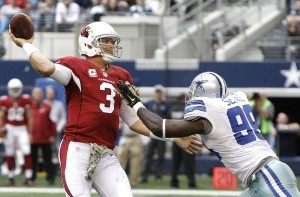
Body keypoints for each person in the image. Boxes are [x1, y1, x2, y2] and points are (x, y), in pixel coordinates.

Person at [8, 21, 201, 197]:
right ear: (88, 43)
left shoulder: (120, 76)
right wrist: (26, 44)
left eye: (112, 41)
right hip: (77, 148)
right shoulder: (77, 67)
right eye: (105, 41)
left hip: (105, 152)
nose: (111, 45)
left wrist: (173, 136)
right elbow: (45, 68)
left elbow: (135, 121)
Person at [116, 72, 300, 196]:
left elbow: (160, 127)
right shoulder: (231, 103)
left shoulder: (209, 114)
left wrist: (136, 103)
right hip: (262, 175)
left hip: (267, 175)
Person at [0, 78, 33, 186]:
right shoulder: (4, 100)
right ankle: (10, 177)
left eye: (17, 89)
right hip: (9, 128)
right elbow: (1, 116)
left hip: (22, 128)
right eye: (13, 89)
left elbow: (30, 117)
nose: (15, 91)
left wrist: (30, 132)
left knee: (26, 151)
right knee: (9, 153)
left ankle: (29, 177)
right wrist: (2, 128)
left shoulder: (26, 99)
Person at [140, 84, 170, 183]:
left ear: (162, 94)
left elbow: (169, 120)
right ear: (154, 93)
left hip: (162, 135)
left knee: (161, 156)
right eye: (157, 92)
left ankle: (159, 177)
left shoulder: (166, 105)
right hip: (151, 134)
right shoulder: (149, 104)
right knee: (148, 156)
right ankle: (144, 176)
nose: (158, 94)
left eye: (159, 92)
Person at [30, 86, 56, 185]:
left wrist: (52, 135)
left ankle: (50, 178)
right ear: (32, 95)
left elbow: (53, 122)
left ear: (42, 94)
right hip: (32, 138)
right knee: (32, 159)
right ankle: (31, 178)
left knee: (48, 159)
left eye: (40, 93)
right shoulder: (29, 107)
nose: (38, 95)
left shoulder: (48, 107)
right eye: (36, 93)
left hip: (45, 138)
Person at [169, 94, 196, 189]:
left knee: (175, 162)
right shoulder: (191, 109)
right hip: (188, 138)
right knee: (189, 162)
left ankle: (173, 181)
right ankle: (191, 181)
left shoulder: (172, 108)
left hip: (176, 139)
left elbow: (168, 123)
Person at [117, 120, 143, 187]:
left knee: (135, 162)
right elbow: (118, 125)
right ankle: (119, 179)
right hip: (125, 137)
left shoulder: (136, 111)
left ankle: (133, 181)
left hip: (135, 137)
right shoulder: (121, 111)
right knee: (120, 160)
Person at [44, 85, 67, 158]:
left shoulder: (59, 104)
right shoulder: (42, 104)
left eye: (52, 93)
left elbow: (63, 118)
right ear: (46, 94)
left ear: (54, 94)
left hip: (56, 131)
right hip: (44, 131)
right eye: (49, 93)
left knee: (57, 147)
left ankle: (58, 164)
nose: (50, 94)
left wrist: (58, 129)